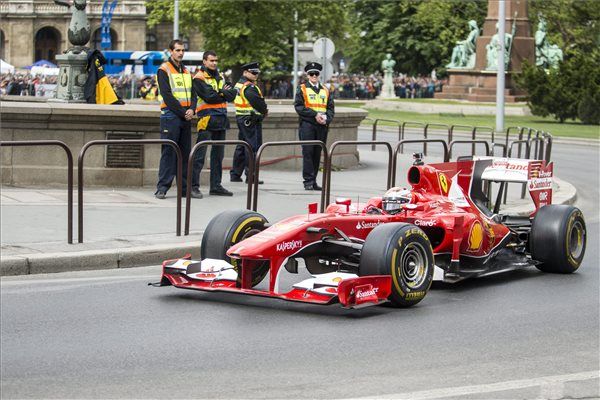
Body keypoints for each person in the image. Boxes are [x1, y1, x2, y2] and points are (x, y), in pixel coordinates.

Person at [154, 39, 197, 199]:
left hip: (185, 116)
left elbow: (193, 93)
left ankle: (185, 189)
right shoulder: (163, 69)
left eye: (182, 50)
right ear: (171, 51)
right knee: (169, 152)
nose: (180, 53)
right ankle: (162, 188)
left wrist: (192, 108)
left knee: (185, 154)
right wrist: (183, 112)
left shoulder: (186, 71)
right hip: (171, 116)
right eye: (177, 50)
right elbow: (167, 95)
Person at [191, 50, 236, 197]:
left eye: (216, 60)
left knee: (218, 156)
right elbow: (209, 97)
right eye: (211, 60)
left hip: (221, 119)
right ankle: (193, 186)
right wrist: (223, 93)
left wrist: (221, 93)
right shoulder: (199, 77)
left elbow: (233, 94)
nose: (214, 63)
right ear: (204, 61)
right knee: (199, 156)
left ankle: (215, 186)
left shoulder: (221, 76)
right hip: (207, 119)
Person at [294, 62, 335, 191]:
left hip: (322, 126)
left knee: (317, 153)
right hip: (308, 125)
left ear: (319, 75)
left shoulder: (326, 90)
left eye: (316, 73)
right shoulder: (302, 89)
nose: (314, 76)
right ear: (307, 75)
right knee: (308, 152)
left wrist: (327, 118)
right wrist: (314, 115)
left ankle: (314, 181)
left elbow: (331, 108)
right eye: (311, 74)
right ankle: (308, 181)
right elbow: (299, 107)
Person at [230, 62, 268, 184]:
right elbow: (258, 103)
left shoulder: (239, 84)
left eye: (257, 73)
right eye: (253, 72)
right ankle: (251, 176)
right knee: (252, 147)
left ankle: (235, 174)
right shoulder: (249, 87)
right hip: (250, 119)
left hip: (242, 118)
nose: (256, 75)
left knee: (242, 146)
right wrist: (265, 110)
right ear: (245, 72)